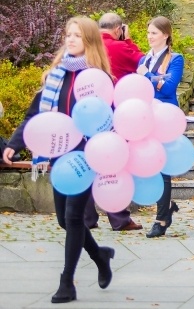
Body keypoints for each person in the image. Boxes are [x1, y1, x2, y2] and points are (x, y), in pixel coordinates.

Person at [3, 17, 116, 303]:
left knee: (74, 217)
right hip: (57, 156)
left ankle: (67, 282)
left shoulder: (98, 80)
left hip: (86, 156)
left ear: (89, 40)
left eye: (77, 35)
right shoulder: (56, 75)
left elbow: (110, 119)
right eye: (68, 35)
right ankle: (100, 256)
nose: (70, 39)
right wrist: (15, 144)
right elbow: (35, 115)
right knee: (66, 222)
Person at [92, 12, 143, 232]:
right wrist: (128, 40)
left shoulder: (88, 47)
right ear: (117, 29)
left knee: (89, 163)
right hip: (115, 114)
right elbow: (143, 63)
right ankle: (119, 218)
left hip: (87, 113)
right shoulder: (120, 47)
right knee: (114, 166)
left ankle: (86, 218)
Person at [138, 17, 185, 238]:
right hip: (146, 116)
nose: (149, 37)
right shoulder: (144, 58)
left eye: (154, 33)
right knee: (150, 166)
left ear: (165, 35)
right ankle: (166, 207)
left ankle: (161, 219)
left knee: (163, 168)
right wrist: (153, 78)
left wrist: (148, 76)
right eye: (148, 33)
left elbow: (168, 87)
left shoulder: (175, 59)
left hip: (165, 117)